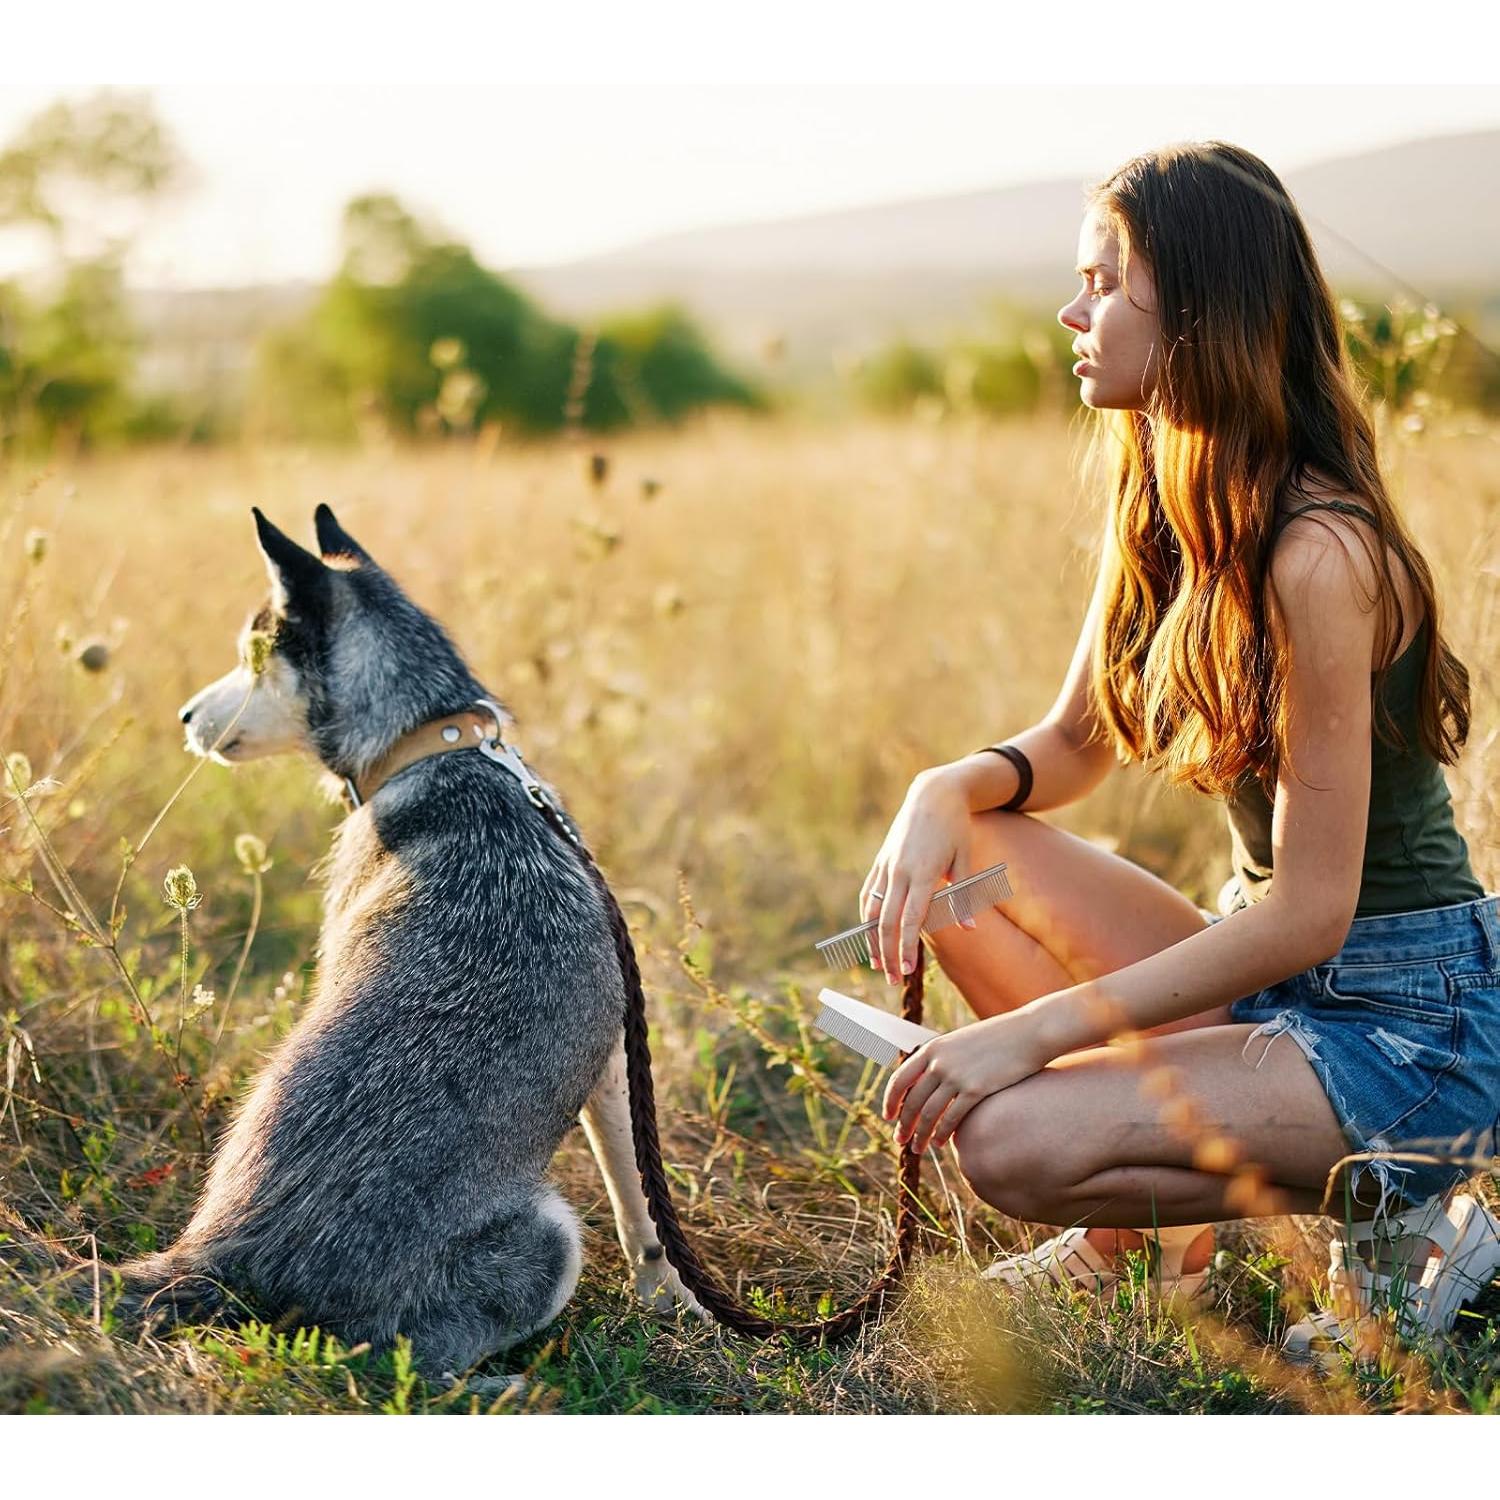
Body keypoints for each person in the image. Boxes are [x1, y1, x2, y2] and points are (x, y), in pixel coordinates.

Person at [866, 141, 1500, 1366]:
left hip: (1411, 1022)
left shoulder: (1321, 551)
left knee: (1008, 1143)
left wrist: (1032, 1037)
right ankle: (1145, 1250)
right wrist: (940, 789)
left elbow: (1312, 914)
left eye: (1106, 282)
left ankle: (1414, 1210)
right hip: (1275, 981)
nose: (1073, 312)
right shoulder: (1167, 494)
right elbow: (1073, 743)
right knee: (963, 857)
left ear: (1202, 311)